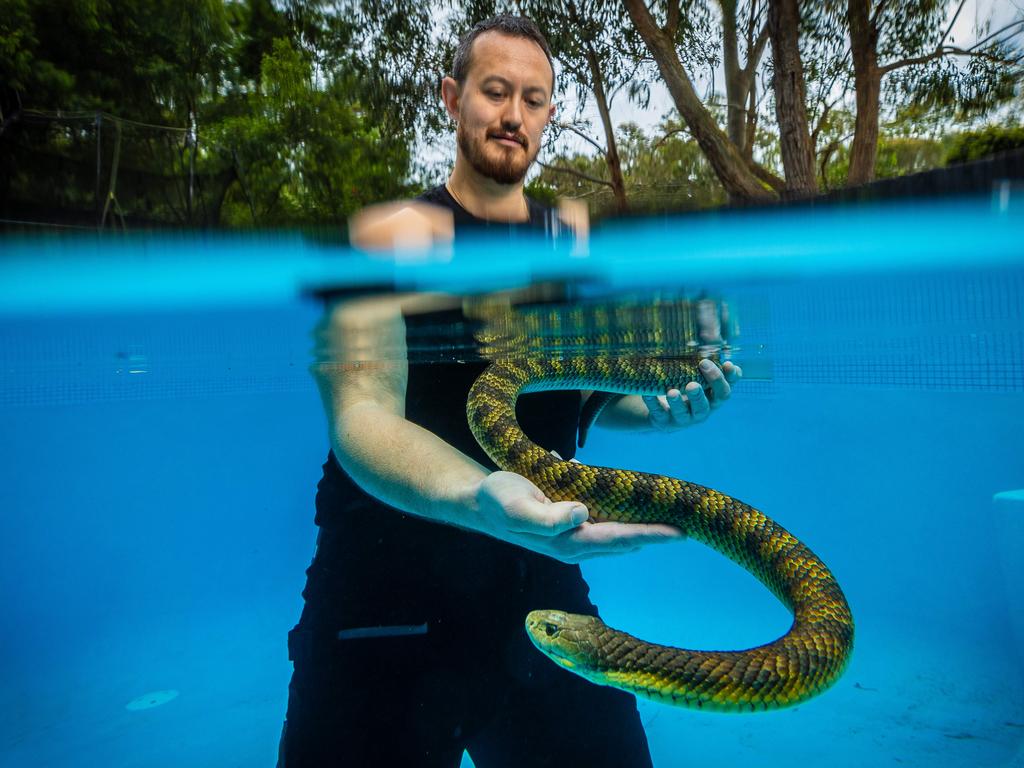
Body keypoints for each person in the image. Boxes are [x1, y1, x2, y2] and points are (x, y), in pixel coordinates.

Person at [279, 15, 741, 767]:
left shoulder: (576, 250)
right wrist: (479, 495)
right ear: (452, 98)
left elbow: (583, 403)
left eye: (532, 98)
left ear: (550, 115)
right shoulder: (390, 238)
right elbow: (360, 414)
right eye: (495, 92)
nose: (512, 115)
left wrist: (663, 407)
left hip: (537, 583)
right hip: (380, 595)